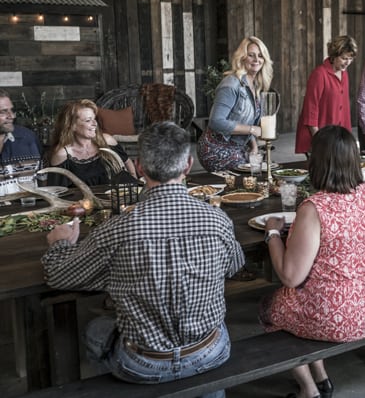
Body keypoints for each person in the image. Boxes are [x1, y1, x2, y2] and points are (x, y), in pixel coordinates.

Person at [42, 121, 245, 398]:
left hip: (143, 364)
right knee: (209, 331)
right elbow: (234, 265)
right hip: (209, 352)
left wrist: (60, 243)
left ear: (139, 167)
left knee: (94, 329)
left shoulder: (118, 229)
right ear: (187, 166)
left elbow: (57, 275)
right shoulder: (217, 220)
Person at [260, 125, 365, 398]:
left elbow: (290, 276)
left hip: (335, 319)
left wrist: (273, 233)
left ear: (316, 162)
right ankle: (320, 376)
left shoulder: (315, 207)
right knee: (304, 298)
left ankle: (309, 388)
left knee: (269, 308)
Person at [198, 36, 274, 172]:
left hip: (238, 148)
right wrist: (252, 129)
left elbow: (247, 120)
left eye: (260, 56)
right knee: (251, 176)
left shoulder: (255, 85)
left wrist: (254, 147)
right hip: (215, 149)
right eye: (251, 55)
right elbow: (215, 121)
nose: (257, 60)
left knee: (264, 169)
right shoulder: (231, 84)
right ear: (242, 58)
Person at [47, 99, 136, 187]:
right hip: (83, 201)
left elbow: (127, 161)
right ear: (72, 126)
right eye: (88, 120)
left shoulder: (107, 140)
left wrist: (134, 182)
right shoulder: (62, 154)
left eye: (94, 119)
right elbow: (55, 191)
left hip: (116, 198)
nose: (95, 124)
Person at [295, 35, 358, 156]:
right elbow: (311, 110)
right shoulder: (319, 74)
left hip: (337, 137)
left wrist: (347, 137)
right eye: (344, 58)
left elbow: (344, 108)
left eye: (350, 59)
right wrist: (319, 141)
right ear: (334, 56)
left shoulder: (344, 74)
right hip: (320, 135)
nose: (348, 63)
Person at [0, 89, 42, 164]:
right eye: (3, 112)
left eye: (11, 110)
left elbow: (41, 171)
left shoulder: (28, 137)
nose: (12, 116)